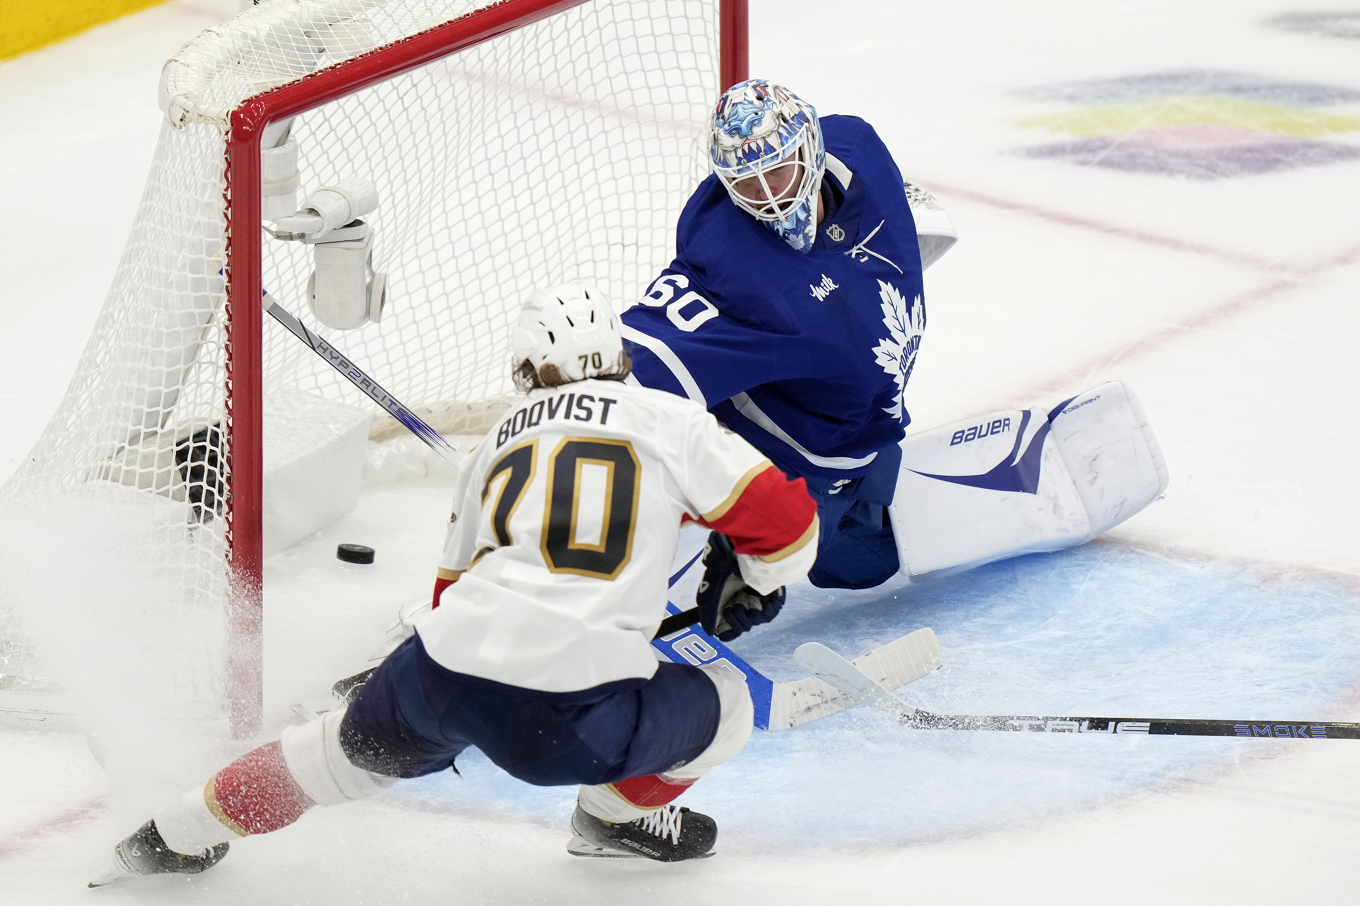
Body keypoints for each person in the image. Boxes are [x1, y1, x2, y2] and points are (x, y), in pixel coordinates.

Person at [91, 284, 819, 884]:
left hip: (438, 670)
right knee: (724, 706)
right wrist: (754, 581)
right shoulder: (669, 422)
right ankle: (613, 819)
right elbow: (791, 529)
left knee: (335, 756)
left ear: (527, 373)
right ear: (621, 357)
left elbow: (447, 594)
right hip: (563, 724)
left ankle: (170, 835)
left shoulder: (497, 441)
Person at [622, 79, 953, 592]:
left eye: (776, 169)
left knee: (868, 568)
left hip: (867, 442)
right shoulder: (738, 274)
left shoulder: (859, 152)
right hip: (787, 474)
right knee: (789, 563)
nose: (769, 196)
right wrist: (554, 414)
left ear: (812, 147)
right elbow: (638, 364)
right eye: (747, 182)